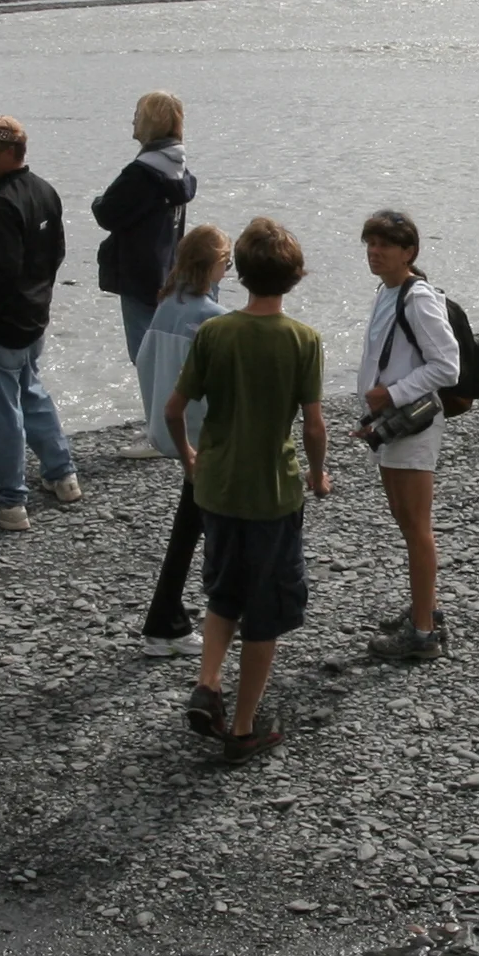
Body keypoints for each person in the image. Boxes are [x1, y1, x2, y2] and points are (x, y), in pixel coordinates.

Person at [164, 216, 330, 757]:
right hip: (271, 494)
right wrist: (319, 472)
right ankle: (241, 728)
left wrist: (190, 456)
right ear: (296, 276)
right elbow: (311, 424)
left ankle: (208, 682)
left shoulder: (215, 332)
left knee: (223, 591)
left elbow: (174, 409)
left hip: (218, 487)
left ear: (241, 275)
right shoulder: (303, 340)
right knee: (266, 612)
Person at [0, 114, 79, 531]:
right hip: (32, 316)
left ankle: (9, 502)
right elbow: (55, 254)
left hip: (0, 323)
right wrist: (38, 296)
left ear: (9, 152)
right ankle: (62, 475)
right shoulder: (45, 192)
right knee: (31, 392)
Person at [355, 209, 461, 663]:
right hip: (389, 424)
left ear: (409, 252)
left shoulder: (417, 297)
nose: (374, 253)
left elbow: (447, 366)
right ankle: (425, 608)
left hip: (412, 424)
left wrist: (392, 393)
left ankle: (422, 634)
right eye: (370, 244)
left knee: (417, 527)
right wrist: (371, 409)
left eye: (385, 245)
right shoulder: (388, 290)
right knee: (404, 519)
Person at [132, 223, 231, 648]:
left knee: (191, 525)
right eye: (226, 262)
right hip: (207, 438)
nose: (229, 268)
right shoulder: (211, 318)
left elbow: (144, 361)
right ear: (212, 266)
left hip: (173, 432)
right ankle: (197, 617)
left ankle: (167, 618)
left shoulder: (168, 304)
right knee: (217, 530)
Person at [91, 91, 197, 359]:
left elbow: (107, 213)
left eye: (137, 116)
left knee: (145, 356)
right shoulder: (178, 167)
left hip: (140, 275)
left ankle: (157, 401)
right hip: (167, 270)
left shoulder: (142, 173)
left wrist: (97, 201)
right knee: (165, 356)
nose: (132, 122)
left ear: (151, 122)